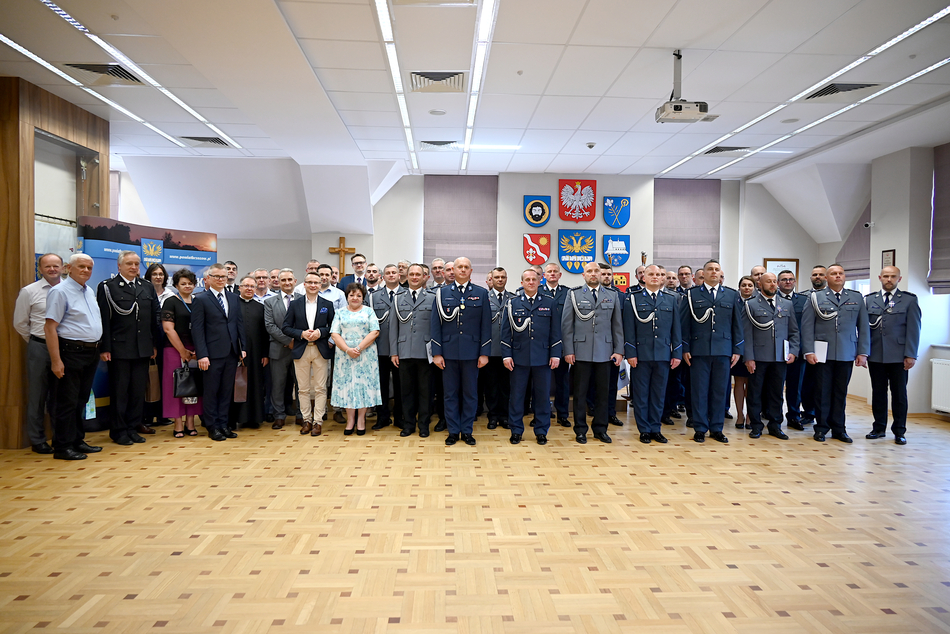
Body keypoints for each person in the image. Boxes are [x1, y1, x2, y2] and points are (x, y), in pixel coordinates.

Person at [801, 263, 870, 443]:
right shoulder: (815, 297)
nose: (838, 276)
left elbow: (863, 327)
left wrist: (863, 352)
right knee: (822, 392)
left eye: (841, 273)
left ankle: (839, 429)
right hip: (822, 352)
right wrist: (808, 350)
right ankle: (821, 428)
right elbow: (807, 326)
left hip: (846, 351)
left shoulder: (856, 297)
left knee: (841, 392)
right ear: (826, 278)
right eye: (833, 273)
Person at [97, 250, 160, 445]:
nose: (133, 267)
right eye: (129, 264)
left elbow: (154, 317)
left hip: (142, 348)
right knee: (120, 392)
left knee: (137, 392)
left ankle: (132, 428)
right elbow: (104, 320)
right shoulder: (108, 287)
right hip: (119, 349)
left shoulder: (146, 286)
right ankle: (119, 431)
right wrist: (105, 348)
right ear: (119, 266)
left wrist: (154, 344)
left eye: (136, 264)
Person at [44, 254, 103, 460]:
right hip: (70, 352)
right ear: (69, 268)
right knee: (66, 401)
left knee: (81, 399)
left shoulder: (89, 291)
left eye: (89, 267)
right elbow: (50, 327)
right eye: (81, 267)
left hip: (90, 352)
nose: (86, 271)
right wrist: (56, 360)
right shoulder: (59, 291)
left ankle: (77, 440)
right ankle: (62, 446)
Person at [680, 259, 743, 444]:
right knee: (699, 391)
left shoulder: (731, 295)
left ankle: (717, 428)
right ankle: (700, 428)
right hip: (698, 351)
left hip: (723, 350)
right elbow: (684, 324)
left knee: (720, 391)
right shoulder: (691, 295)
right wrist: (685, 347)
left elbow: (737, 325)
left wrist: (737, 349)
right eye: (710, 269)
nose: (714, 272)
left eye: (717, 269)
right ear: (703, 273)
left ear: (720, 273)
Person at [561, 261, 623, 444]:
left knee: (603, 394)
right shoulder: (573, 294)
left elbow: (617, 325)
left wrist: (619, 350)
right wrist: (568, 350)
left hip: (605, 352)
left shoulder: (612, 295)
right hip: (581, 351)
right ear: (584, 275)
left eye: (597, 271)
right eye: (590, 271)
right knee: (580, 394)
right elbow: (567, 325)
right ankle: (580, 430)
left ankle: (600, 429)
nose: (594, 274)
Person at [431, 256, 491, 446]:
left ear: (471, 271)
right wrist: (436, 353)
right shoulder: (441, 293)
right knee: (450, 394)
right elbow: (435, 325)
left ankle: (467, 431)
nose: (463, 270)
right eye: (459, 267)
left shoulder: (481, 293)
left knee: (470, 394)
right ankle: (453, 431)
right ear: (452, 271)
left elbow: (486, 326)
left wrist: (484, 353)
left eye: (466, 267)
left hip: (472, 353)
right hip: (448, 353)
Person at [622, 264, 682, 444]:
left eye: (658, 274)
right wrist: (630, 353)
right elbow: (629, 329)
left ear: (662, 278)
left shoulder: (671, 299)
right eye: (651, 274)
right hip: (641, 354)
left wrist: (677, 353)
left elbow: (676, 329)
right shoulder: (633, 299)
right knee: (641, 394)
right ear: (644, 277)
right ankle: (644, 430)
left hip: (663, 354)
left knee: (659, 393)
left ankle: (656, 428)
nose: (655, 277)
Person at [501, 269, 561, 445]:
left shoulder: (549, 303)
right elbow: (505, 333)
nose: (531, 282)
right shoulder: (512, 303)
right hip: (518, 358)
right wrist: (506, 355)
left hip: (542, 357)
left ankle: (541, 431)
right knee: (517, 396)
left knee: (542, 397)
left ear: (539, 281)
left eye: (534, 279)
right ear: (522, 283)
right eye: (527, 279)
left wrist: (555, 354)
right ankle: (516, 430)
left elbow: (556, 332)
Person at [865, 266, 921, 445]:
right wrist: (863, 352)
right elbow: (864, 329)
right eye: (886, 276)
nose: (889, 279)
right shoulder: (870, 299)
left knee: (899, 394)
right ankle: (878, 428)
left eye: (893, 276)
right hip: (876, 354)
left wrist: (911, 354)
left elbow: (914, 329)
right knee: (878, 393)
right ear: (880, 277)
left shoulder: (909, 300)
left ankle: (899, 431)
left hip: (899, 356)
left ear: (899, 279)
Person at [14, 253, 62, 454]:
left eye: (56, 266)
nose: (52, 269)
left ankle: (61, 437)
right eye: (47, 266)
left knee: (61, 396)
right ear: (40, 269)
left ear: (63, 268)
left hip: (65, 348)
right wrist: (37, 341)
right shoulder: (29, 291)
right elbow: (20, 323)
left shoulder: (69, 290)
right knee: (37, 395)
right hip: (39, 347)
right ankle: (38, 440)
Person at [192, 263, 246, 441]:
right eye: (217, 276)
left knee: (226, 391)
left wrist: (242, 347)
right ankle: (212, 426)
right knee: (211, 392)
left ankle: (223, 424)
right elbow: (197, 330)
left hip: (231, 352)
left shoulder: (234, 298)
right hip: (211, 354)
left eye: (223, 276)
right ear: (208, 278)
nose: (221, 279)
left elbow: (239, 324)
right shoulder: (201, 299)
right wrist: (202, 354)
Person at [742, 272, 799, 440]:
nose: (773, 284)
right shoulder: (751, 304)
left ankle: (775, 425)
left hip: (779, 357)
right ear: (760, 284)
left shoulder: (786, 304)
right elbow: (746, 334)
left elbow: (794, 331)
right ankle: (756, 425)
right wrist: (749, 357)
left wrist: (793, 351)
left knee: (776, 393)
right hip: (758, 357)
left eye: (774, 281)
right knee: (755, 393)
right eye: (769, 282)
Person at [282, 272, 335, 437]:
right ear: (304, 284)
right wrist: (301, 334)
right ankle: (306, 420)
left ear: (320, 285)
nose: (313, 285)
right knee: (303, 389)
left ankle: (318, 421)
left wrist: (321, 332)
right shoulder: (295, 304)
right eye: (310, 282)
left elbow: (333, 326)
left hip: (320, 349)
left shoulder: (327, 304)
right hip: (301, 349)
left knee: (320, 388)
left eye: (316, 282)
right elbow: (285, 327)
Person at [330, 284, 381, 434]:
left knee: (363, 386)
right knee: (348, 386)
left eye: (358, 295)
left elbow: (375, 332)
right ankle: (350, 420)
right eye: (352, 295)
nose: (355, 298)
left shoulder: (369, 311)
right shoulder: (339, 312)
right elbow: (334, 334)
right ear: (347, 297)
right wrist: (347, 349)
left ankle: (361, 420)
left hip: (365, 354)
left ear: (363, 297)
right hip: (344, 355)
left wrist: (358, 348)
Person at [391, 264, 435, 437]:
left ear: (424, 277)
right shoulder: (398, 298)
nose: (415, 277)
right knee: (406, 391)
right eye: (412, 274)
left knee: (426, 391)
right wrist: (394, 352)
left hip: (425, 352)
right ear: (407, 276)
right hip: (404, 351)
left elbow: (436, 327)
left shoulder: (432, 297)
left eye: (418, 274)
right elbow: (393, 327)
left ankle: (424, 425)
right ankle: (408, 425)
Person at [161, 268, 201, 438]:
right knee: (175, 385)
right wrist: (183, 351)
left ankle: (190, 422)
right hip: (174, 349)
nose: (187, 286)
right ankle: (177, 422)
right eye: (183, 283)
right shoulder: (170, 301)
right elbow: (168, 329)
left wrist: (199, 350)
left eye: (190, 283)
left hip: (196, 350)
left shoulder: (199, 301)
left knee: (193, 384)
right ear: (176, 285)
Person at [231, 276, 269, 429]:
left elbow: (265, 333)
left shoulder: (260, 307)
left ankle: (254, 418)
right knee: (236, 385)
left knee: (255, 384)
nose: (249, 289)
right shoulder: (233, 305)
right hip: (236, 352)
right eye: (246, 286)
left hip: (256, 353)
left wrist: (265, 354)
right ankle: (235, 418)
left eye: (252, 286)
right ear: (239, 287)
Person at [369, 264, 403, 431]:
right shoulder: (374, 297)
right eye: (388, 273)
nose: (391, 275)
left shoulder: (406, 294)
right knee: (381, 385)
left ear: (399, 275)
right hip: (380, 347)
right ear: (383, 277)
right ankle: (382, 417)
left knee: (401, 385)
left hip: (401, 349)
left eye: (394, 272)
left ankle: (400, 417)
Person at [264, 269, 299, 430]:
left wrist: (295, 341)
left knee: (301, 385)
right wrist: (288, 341)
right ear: (278, 282)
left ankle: (301, 414)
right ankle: (279, 415)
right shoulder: (270, 302)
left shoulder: (303, 299)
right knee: (277, 385)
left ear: (295, 281)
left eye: (289, 279)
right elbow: (270, 326)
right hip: (278, 349)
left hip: (300, 348)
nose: (287, 283)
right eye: (283, 280)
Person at [777, 270, 809, 430]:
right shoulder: (771, 299)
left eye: (791, 279)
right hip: (775, 349)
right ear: (778, 283)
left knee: (795, 386)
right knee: (775, 386)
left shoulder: (804, 300)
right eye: (784, 279)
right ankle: (773, 415)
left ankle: (794, 416)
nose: (788, 282)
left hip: (797, 350)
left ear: (795, 282)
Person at [541, 262, 571, 428]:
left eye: (555, 272)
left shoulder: (568, 293)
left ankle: (563, 414)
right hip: (542, 345)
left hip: (561, 344)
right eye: (549, 272)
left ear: (560, 275)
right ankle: (541, 413)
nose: (552, 274)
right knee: (540, 383)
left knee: (562, 382)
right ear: (544, 275)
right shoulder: (538, 292)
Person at [484, 267, 513, 430]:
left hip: (508, 351)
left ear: (506, 279)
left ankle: (504, 416)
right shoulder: (484, 298)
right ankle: (493, 416)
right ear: (491, 279)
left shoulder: (513, 299)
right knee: (491, 386)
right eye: (497, 277)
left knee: (506, 386)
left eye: (503, 277)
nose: (500, 280)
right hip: (491, 350)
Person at [731, 276, 756, 429]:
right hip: (738, 346)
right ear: (739, 287)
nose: (747, 288)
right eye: (744, 285)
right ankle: (739, 414)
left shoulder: (758, 302)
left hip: (754, 347)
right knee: (739, 381)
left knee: (752, 383)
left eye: (750, 285)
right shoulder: (734, 301)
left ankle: (749, 416)